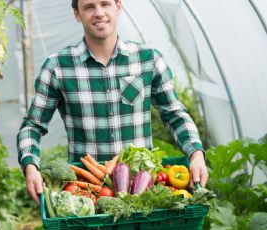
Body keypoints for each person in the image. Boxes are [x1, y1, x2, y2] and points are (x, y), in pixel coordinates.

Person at [17, 0, 208, 205]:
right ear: (77, 14)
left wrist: (196, 154)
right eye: (89, 7)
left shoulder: (148, 60)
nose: (98, 13)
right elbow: (33, 126)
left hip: (143, 190)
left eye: (105, 4)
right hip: (87, 193)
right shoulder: (57, 67)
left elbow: (175, 114)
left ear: (118, 6)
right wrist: (31, 167)